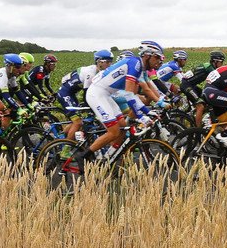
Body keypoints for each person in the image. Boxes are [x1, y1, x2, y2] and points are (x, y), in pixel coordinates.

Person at [69, 41, 166, 171]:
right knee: (114, 131)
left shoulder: (140, 68)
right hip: (96, 94)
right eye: (157, 57)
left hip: (106, 95)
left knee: (123, 126)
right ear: (147, 55)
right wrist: (141, 116)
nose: (159, 62)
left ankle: (109, 157)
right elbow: (128, 94)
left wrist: (147, 112)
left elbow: (133, 96)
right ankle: (83, 155)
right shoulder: (135, 64)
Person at [56, 50, 114, 139]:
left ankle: (60, 138)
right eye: (108, 62)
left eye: (111, 62)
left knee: (78, 120)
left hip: (71, 94)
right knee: (78, 122)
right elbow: (86, 94)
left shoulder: (100, 72)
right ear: (99, 62)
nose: (110, 64)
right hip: (65, 94)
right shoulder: (90, 73)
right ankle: (66, 146)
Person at [181, 50, 226, 121]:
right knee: (200, 106)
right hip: (186, 85)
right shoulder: (209, 67)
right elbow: (220, 79)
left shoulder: (209, 65)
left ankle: (195, 115)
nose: (222, 64)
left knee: (207, 98)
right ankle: (197, 127)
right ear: (215, 61)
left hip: (192, 85)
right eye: (221, 62)